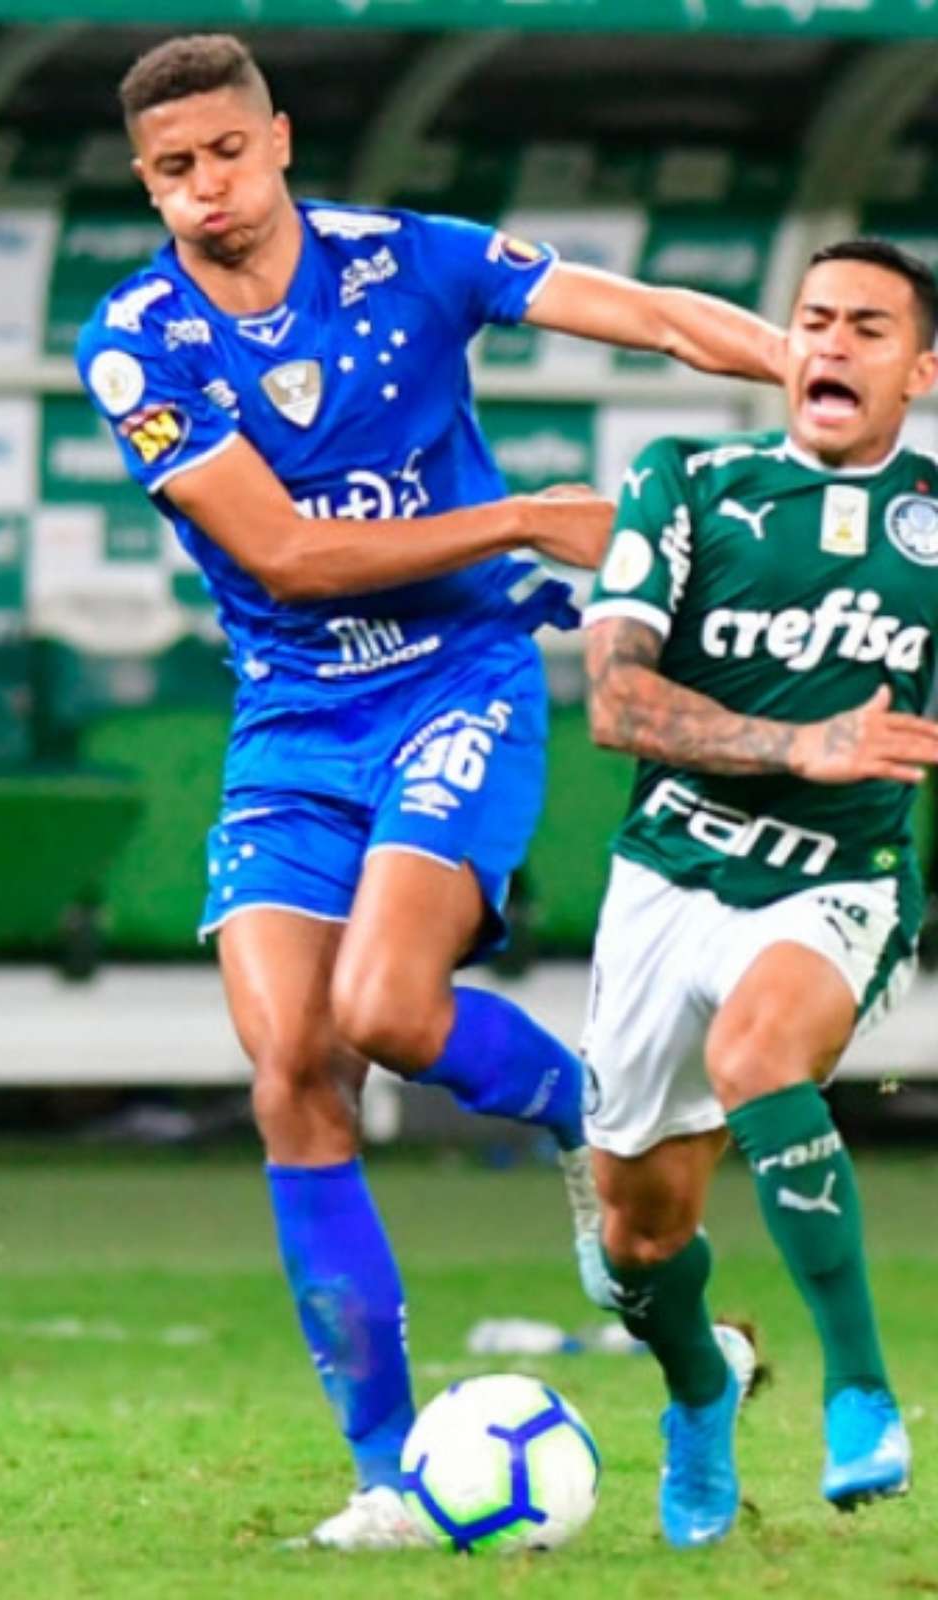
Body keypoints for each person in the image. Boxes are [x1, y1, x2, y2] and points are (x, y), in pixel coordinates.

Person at [77, 33, 785, 1549]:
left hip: (453, 687)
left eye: (225, 152)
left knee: (390, 1013)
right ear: (148, 184)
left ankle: (597, 1140)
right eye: (170, 169)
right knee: (293, 1074)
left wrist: (812, 364)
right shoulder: (138, 341)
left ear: (278, 140)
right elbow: (285, 555)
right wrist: (525, 515)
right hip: (291, 722)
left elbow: (645, 313)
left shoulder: (409, 261)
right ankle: (393, 1475)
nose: (205, 187)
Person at [582, 237, 938, 1549]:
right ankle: (698, 1385)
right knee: (636, 1237)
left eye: (868, 329)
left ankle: (861, 1391)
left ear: (923, 370)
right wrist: (800, 742)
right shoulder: (686, 481)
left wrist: (849, 767)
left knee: (757, 1054)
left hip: (839, 884)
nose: (832, 345)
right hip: (670, 874)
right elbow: (615, 700)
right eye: (813, 320)